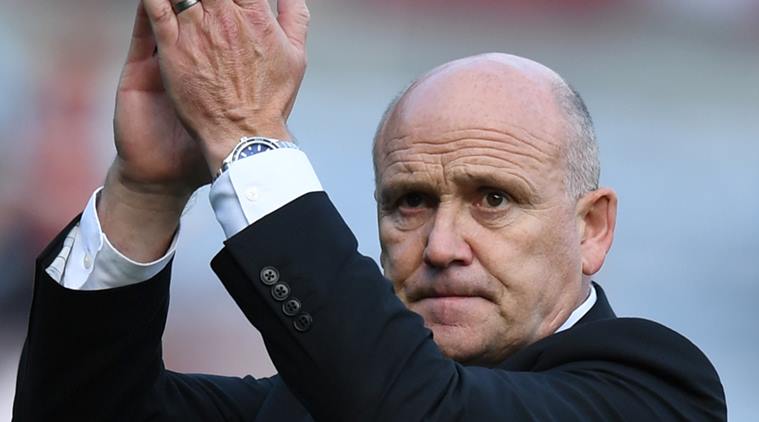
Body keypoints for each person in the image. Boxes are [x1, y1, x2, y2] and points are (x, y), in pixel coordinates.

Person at [13, 0, 726, 420]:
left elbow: (412, 410)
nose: (443, 245)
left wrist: (242, 134)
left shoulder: (656, 389)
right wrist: (147, 191)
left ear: (590, 228)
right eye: (410, 203)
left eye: (493, 200)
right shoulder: (307, 401)